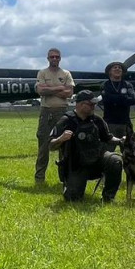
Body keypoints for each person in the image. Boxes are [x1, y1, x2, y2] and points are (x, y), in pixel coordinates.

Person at [49, 90, 123, 202]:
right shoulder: (66, 121)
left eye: (95, 104)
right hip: (76, 165)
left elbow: (108, 138)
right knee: (73, 199)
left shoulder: (97, 120)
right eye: (91, 104)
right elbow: (50, 145)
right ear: (80, 104)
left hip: (97, 160)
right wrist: (61, 139)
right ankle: (70, 187)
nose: (94, 107)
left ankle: (108, 197)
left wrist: (121, 141)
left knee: (115, 160)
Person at [35, 47, 74, 183]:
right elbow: (40, 91)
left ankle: (64, 178)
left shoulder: (66, 73)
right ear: (48, 59)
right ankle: (39, 178)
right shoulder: (42, 73)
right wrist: (59, 88)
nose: (54, 59)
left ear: (60, 58)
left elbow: (69, 93)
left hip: (62, 111)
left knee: (64, 145)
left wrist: (49, 90)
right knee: (43, 145)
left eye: (57, 57)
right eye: (52, 57)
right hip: (46, 112)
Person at [100, 61, 135, 151]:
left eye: (119, 68)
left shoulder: (128, 85)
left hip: (125, 123)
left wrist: (114, 98)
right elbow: (106, 100)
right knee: (107, 151)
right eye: (115, 67)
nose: (117, 69)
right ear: (109, 72)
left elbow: (132, 100)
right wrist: (123, 98)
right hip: (109, 123)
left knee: (128, 150)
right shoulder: (105, 85)